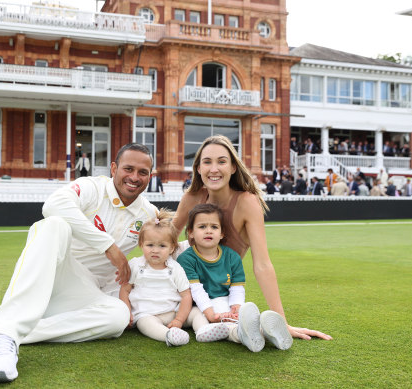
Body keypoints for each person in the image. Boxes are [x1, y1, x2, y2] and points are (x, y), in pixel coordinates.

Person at [0, 143, 157, 383]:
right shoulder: (92, 187)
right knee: (54, 224)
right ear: (114, 168)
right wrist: (108, 246)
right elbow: (52, 205)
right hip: (53, 275)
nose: (134, 177)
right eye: (128, 168)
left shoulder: (148, 214)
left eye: (143, 172)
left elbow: (171, 240)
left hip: (85, 293)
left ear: (151, 175)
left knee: (117, 317)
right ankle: (3, 336)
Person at [172, 135, 332, 342]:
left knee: (224, 314)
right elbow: (168, 242)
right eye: (207, 162)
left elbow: (263, 264)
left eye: (221, 161)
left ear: (233, 168)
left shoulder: (247, 203)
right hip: (186, 285)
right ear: (198, 168)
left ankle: (244, 328)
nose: (213, 169)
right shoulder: (191, 197)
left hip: (217, 293)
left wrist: (281, 321)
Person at [177, 203, 293, 352]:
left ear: (222, 233)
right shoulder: (186, 259)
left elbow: (237, 287)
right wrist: (211, 314)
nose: (208, 231)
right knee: (222, 324)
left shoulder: (232, 256)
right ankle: (245, 335)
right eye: (202, 227)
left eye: (214, 227)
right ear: (191, 232)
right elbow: (196, 290)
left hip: (226, 301)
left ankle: (268, 331)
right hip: (202, 306)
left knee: (241, 315)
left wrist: (236, 307)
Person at [119, 209, 192, 347]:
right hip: (146, 314)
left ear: (172, 248)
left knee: (195, 313)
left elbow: (186, 295)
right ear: (141, 245)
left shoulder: (175, 268)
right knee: (145, 324)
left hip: (172, 312)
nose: (155, 250)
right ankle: (168, 335)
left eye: (162, 246)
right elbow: (125, 290)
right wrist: (127, 312)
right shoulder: (136, 265)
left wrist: (179, 320)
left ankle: (203, 328)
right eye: (150, 245)